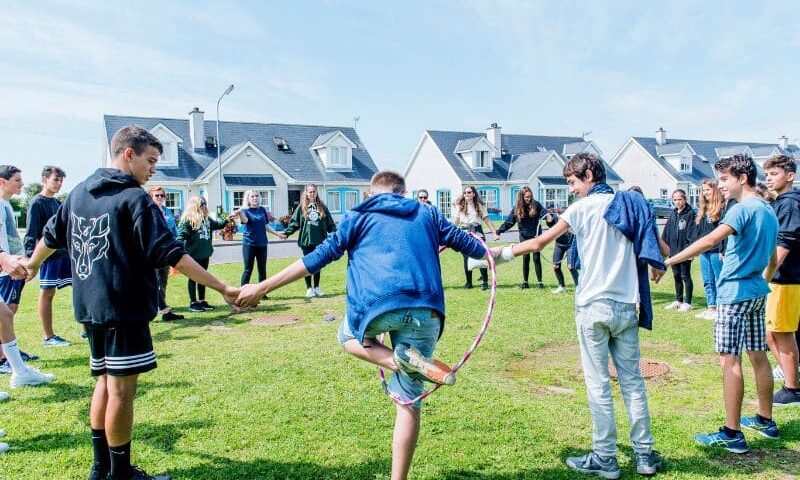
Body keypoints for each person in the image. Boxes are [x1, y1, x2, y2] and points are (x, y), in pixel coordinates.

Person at [235, 170, 488, 480]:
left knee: (346, 336)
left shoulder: (358, 215)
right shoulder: (428, 212)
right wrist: (509, 251)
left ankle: (398, 362)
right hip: (426, 310)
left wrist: (262, 287)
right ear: (404, 193)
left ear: (372, 193)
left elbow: (316, 258)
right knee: (408, 403)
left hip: (376, 308)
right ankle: (407, 375)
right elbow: (474, 247)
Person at [24, 125, 240, 480]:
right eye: (150, 160)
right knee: (122, 392)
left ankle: (101, 468)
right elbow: (172, 253)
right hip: (123, 308)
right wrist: (223, 288)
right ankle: (121, 473)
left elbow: (50, 236)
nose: (153, 168)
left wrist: (32, 265)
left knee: (104, 382)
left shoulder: (78, 193)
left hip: (90, 308)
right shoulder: (135, 199)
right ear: (128, 154)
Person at [479, 153, 664, 478]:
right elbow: (657, 246)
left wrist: (497, 254)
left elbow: (538, 243)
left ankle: (605, 458)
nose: (571, 189)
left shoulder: (581, 209)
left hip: (593, 307)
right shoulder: (631, 205)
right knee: (633, 382)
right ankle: (645, 456)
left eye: (572, 182)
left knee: (598, 384)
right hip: (626, 306)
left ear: (589, 175)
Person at [665, 154, 778, 453]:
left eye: (725, 179)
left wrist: (669, 261)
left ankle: (732, 433)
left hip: (734, 295)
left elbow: (709, 240)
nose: (721, 185)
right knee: (758, 355)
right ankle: (765, 420)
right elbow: (773, 259)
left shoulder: (741, 209)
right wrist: (759, 281)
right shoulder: (768, 210)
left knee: (730, 360)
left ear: (743, 178)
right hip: (756, 293)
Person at [763, 155, 800, 406]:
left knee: (781, 333)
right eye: (767, 174)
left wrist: (764, 276)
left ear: (790, 176)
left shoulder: (789, 204)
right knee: (771, 333)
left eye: (774, 174)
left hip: (786, 279)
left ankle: (792, 388)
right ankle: (791, 375)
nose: (768, 178)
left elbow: (784, 243)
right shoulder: (781, 202)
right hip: (780, 279)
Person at [24, 166, 74, 345]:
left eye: (61, 180)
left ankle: (87, 329)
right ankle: (48, 337)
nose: (59, 183)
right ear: (44, 180)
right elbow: (31, 232)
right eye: (55, 180)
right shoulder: (36, 203)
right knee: (48, 293)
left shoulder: (57, 202)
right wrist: (31, 259)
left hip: (65, 254)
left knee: (80, 287)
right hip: (48, 256)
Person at [0, 165, 42, 374]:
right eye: (17, 180)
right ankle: (5, 359)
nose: (22, 184)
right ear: (2, 181)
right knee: (6, 312)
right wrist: (6, 261)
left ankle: (11, 359)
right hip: (5, 267)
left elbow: (11, 239)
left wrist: (23, 260)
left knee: (8, 312)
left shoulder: (6, 205)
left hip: (11, 264)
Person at [282, 184, 336, 298]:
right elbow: (294, 223)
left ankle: (316, 287)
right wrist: (286, 233)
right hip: (306, 240)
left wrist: (336, 234)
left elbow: (330, 223)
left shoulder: (322, 207)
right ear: (306, 193)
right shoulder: (302, 207)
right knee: (307, 265)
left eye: (314, 191)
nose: (312, 194)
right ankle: (309, 288)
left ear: (316, 193)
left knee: (318, 264)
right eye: (310, 192)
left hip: (320, 240)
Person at [177, 196, 228, 312]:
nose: (204, 206)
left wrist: (228, 219)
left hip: (205, 254)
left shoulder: (207, 219)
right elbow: (181, 236)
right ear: (194, 205)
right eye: (202, 204)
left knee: (203, 278)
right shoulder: (189, 220)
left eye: (205, 204)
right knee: (193, 278)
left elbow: (219, 225)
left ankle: (201, 301)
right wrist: (178, 251)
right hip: (193, 255)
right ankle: (193, 303)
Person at [232, 190, 286, 286]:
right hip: (249, 244)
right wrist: (239, 213)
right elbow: (245, 221)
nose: (255, 198)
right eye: (252, 196)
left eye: (256, 196)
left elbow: (266, 226)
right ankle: (242, 291)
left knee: (262, 270)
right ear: (248, 199)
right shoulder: (245, 210)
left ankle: (262, 292)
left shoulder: (262, 209)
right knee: (248, 269)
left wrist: (278, 234)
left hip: (262, 243)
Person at [496, 186, 546, 289]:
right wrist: (499, 231)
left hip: (536, 235)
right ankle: (525, 282)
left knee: (536, 258)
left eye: (530, 196)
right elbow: (509, 222)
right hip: (524, 236)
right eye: (527, 197)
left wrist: (550, 216)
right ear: (522, 197)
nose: (529, 199)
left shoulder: (536, 205)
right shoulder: (517, 208)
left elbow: (545, 213)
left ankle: (540, 282)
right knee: (526, 257)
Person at [148, 187, 183, 321]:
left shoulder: (167, 211)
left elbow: (174, 230)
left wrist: (177, 244)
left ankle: (161, 303)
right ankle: (159, 306)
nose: (160, 198)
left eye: (162, 195)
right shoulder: (148, 211)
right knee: (154, 280)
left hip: (167, 251)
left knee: (163, 280)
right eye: (157, 195)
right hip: (154, 252)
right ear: (151, 197)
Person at [453, 186, 499, 290]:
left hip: (477, 232)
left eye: (469, 192)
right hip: (465, 232)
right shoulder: (459, 206)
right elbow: (456, 222)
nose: (467, 194)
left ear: (474, 194)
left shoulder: (480, 205)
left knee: (481, 256)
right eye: (465, 193)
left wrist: (494, 233)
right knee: (466, 258)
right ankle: (469, 283)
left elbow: (487, 220)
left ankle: (485, 282)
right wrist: (451, 233)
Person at [693, 179, 724, 321]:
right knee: (707, 280)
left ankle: (721, 308)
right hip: (704, 251)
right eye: (703, 190)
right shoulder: (703, 210)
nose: (705, 193)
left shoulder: (722, 208)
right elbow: (700, 232)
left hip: (717, 250)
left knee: (719, 279)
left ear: (715, 190)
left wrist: (723, 250)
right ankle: (711, 308)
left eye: (708, 190)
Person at [662, 189, 696, 312]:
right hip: (673, 251)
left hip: (685, 251)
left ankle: (688, 302)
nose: (677, 202)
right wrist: (665, 248)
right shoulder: (673, 214)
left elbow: (693, 233)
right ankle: (678, 300)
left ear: (685, 199)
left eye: (680, 199)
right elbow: (667, 232)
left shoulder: (690, 214)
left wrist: (691, 250)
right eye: (675, 200)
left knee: (685, 276)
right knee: (676, 276)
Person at [544, 211, 578, 293]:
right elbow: (550, 224)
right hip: (559, 245)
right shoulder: (555, 219)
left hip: (570, 245)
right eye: (559, 216)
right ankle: (561, 286)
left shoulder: (570, 219)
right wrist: (548, 221)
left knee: (571, 267)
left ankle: (579, 286)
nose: (560, 217)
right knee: (556, 266)